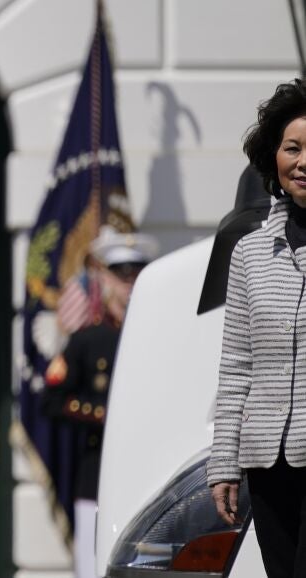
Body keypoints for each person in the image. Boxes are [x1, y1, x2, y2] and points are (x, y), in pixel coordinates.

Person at [209, 78, 306, 578]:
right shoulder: (249, 253)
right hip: (268, 465)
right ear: (274, 158)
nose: (303, 162)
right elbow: (236, 367)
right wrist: (224, 462)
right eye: (293, 148)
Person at [42, 226, 157, 578]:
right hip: (98, 471)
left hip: (151, 471)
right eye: (121, 274)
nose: (129, 283)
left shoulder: (158, 332)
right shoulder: (88, 340)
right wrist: (107, 415)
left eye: (136, 274)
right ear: (104, 278)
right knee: (92, 567)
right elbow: (52, 401)